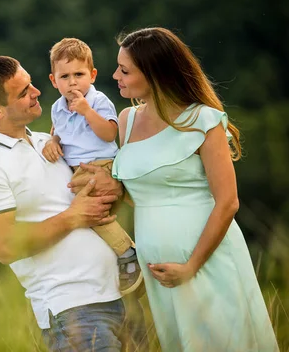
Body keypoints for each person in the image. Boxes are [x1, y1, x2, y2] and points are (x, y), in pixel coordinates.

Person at [108, 27, 279, 351]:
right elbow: (141, 192)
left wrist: (192, 265)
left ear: (155, 74)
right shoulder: (127, 121)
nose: (116, 75)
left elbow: (228, 202)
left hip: (206, 261)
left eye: (125, 70)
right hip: (159, 270)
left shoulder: (204, 120)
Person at [0, 56, 129, 351]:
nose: (37, 92)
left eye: (31, 84)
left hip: (126, 294)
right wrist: (72, 217)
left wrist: (114, 184)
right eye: (23, 92)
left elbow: (104, 177)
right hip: (75, 311)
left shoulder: (50, 141)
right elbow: (5, 246)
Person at [42, 37, 142, 295]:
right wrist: (53, 140)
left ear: (92, 75)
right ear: (54, 81)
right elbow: (60, 131)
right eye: (64, 76)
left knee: (87, 207)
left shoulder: (98, 102)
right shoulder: (57, 108)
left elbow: (109, 133)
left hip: (103, 164)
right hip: (82, 168)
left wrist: (87, 111)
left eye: (79, 74)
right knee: (87, 209)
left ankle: (127, 252)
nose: (72, 82)